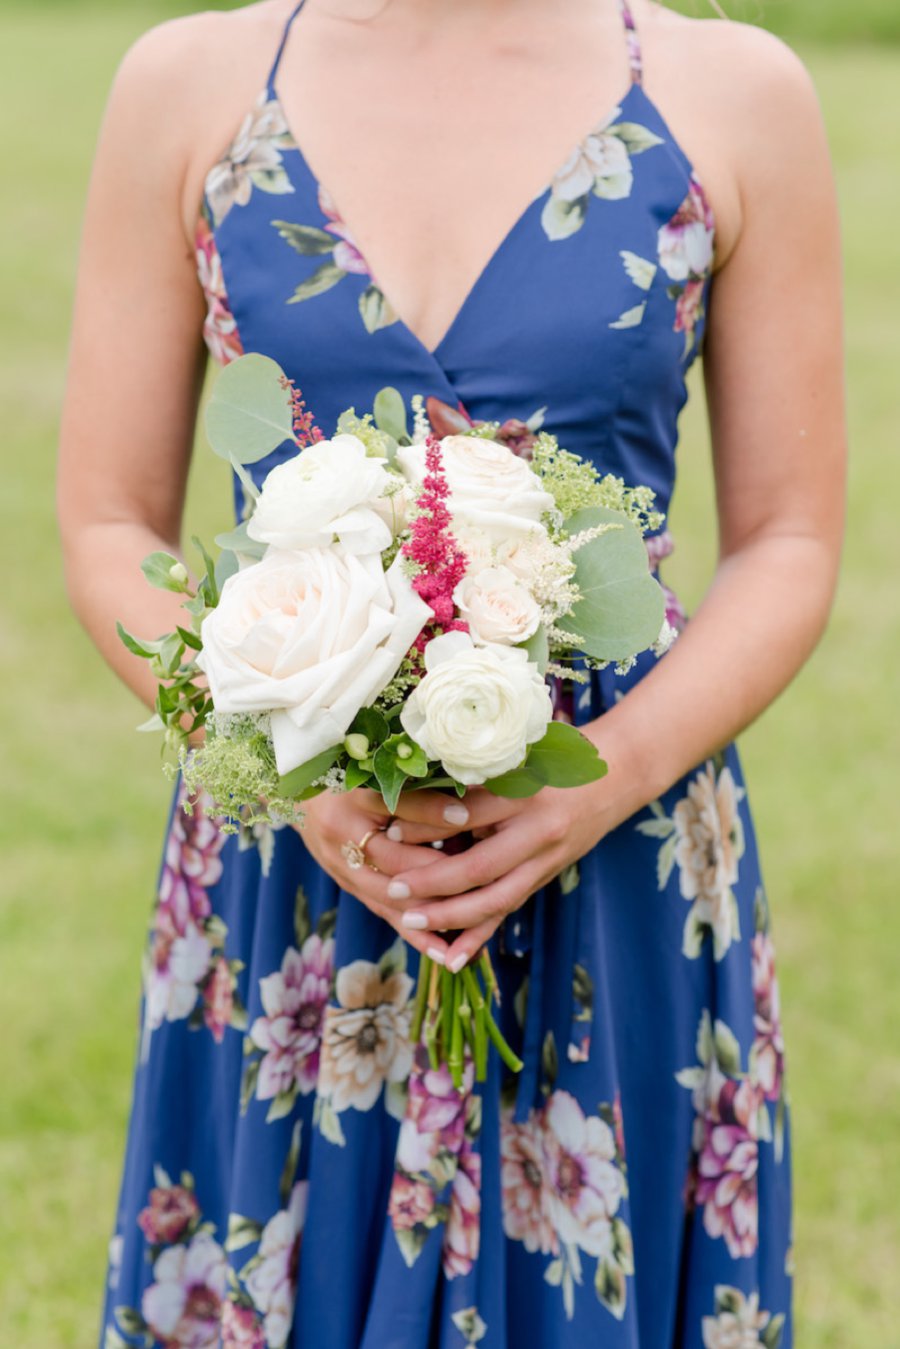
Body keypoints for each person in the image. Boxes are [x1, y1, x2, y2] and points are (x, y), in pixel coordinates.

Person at [57, 0, 845, 1344]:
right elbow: (106, 523)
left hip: (617, 856)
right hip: (296, 868)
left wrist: (597, 784)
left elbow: (790, 539)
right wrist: (292, 759)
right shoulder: (190, 85)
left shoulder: (734, 92)